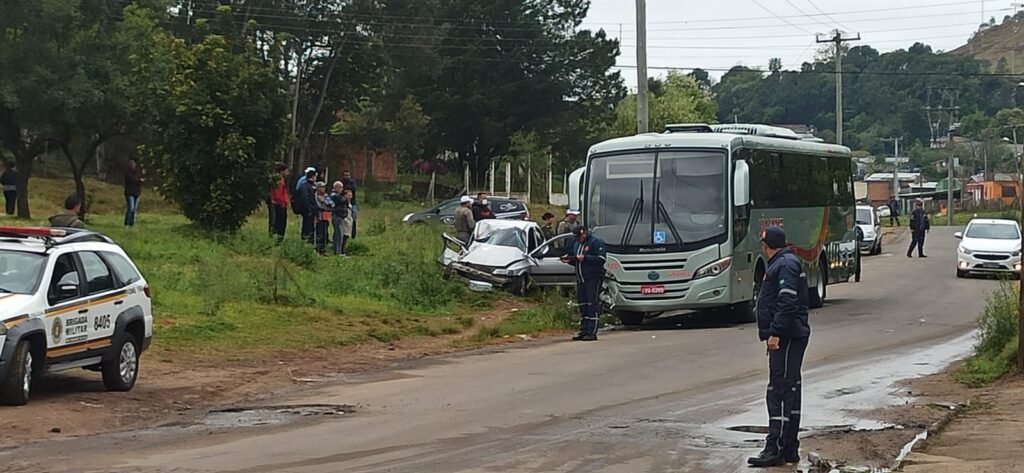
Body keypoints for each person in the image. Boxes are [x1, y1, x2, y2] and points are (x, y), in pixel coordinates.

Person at [747, 226, 810, 468]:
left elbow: (787, 301)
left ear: (767, 245)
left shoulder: (784, 265)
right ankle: (789, 447)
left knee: (780, 390)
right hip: (790, 335)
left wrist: (775, 332)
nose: (762, 247)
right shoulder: (785, 262)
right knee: (789, 388)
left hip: (786, 336)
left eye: (763, 243)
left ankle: (775, 447)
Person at [560, 226, 606, 342]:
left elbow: (601, 259)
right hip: (581, 279)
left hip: (593, 278)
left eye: (578, 237)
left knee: (592, 304)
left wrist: (585, 258)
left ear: (584, 233)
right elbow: (578, 262)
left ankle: (592, 332)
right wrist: (570, 260)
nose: (577, 239)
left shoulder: (596, 242)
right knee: (583, 305)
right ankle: (584, 330)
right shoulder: (577, 244)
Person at [269, 164, 290, 239]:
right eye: (286, 171)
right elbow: (278, 195)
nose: (288, 173)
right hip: (280, 205)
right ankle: (278, 238)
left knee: (280, 223)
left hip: (280, 204)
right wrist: (283, 202)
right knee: (280, 223)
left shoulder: (281, 181)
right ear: (282, 172)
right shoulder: (279, 182)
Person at [329, 181, 349, 255]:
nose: (342, 189)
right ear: (336, 187)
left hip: (341, 216)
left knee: (340, 234)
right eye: (341, 187)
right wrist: (346, 198)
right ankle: (337, 252)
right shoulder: (335, 195)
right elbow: (343, 201)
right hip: (337, 216)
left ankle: (339, 250)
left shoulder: (338, 195)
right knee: (338, 234)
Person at [298, 169, 318, 243]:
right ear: (313, 176)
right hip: (308, 211)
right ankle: (306, 242)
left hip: (310, 210)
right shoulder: (307, 187)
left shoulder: (308, 186)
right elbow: (305, 199)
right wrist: (310, 209)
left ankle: (308, 242)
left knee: (310, 228)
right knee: (307, 228)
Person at [313, 182, 333, 254]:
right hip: (319, 216)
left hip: (325, 217)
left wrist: (327, 205)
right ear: (318, 188)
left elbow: (331, 204)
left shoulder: (326, 195)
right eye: (321, 187)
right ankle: (318, 248)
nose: (323, 189)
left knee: (325, 233)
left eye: (324, 187)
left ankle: (323, 249)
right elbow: (319, 206)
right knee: (319, 233)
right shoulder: (315, 196)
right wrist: (325, 206)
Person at [124, 159, 144, 227]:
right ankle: (127, 223)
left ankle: (131, 223)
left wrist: (140, 181)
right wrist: (139, 180)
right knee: (131, 208)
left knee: (134, 209)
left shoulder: (138, 172)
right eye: (131, 163)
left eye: (133, 163)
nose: (132, 164)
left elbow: (140, 180)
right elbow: (132, 180)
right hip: (130, 193)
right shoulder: (127, 172)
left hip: (137, 193)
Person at [342, 170, 358, 239]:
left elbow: (353, 189)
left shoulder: (352, 182)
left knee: (353, 218)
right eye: (345, 175)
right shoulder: (342, 182)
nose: (347, 177)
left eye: (348, 175)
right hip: (344, 203)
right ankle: (345, 234)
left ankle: (353, 234)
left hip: (352, 202)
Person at [341, 189, 355, 254]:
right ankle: (342, 251)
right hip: (345, 219)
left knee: (347, 235)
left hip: (350, 219)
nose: (350, 196)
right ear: (345, 195)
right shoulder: (343, 202)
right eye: (348, 195)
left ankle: (345, 250)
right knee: (344, 235)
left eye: (351, 195)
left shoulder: (350, 203)